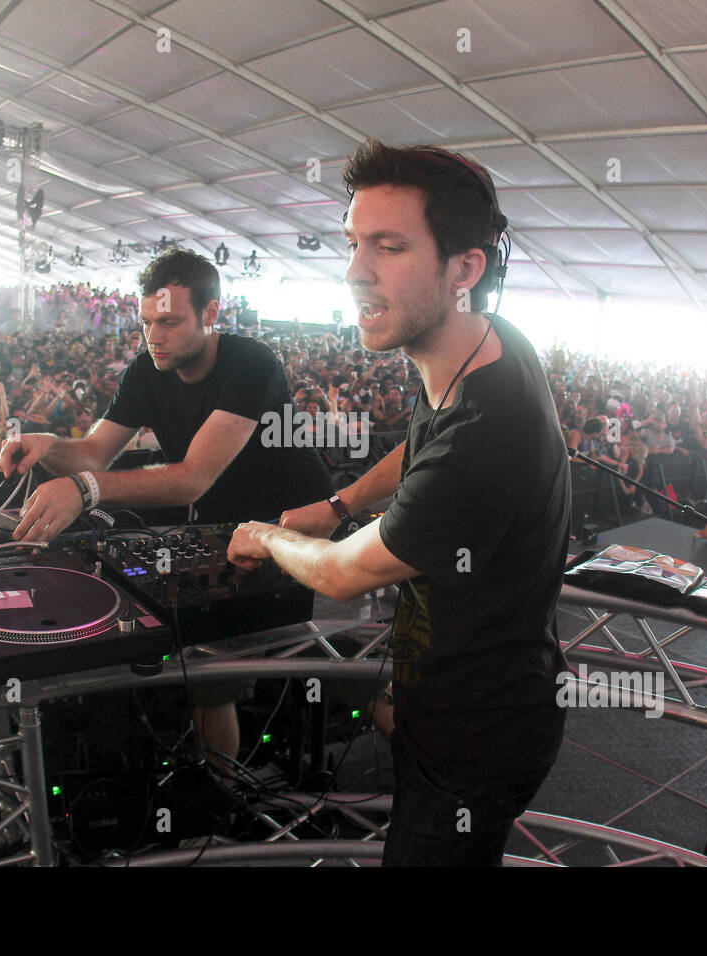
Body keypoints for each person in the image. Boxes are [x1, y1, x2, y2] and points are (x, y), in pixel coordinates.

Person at [226, 140, 571, 866]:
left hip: (475, 742)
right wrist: (339, 502)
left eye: (389, 246)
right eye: (353, 244)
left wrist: (262, 535)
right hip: (455, 709)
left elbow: (343, 576)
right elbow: (420, 445)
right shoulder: (478, 344)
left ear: (464, 269)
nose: (356, 272)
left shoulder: (486, 435)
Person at [0, 249, 332, 775]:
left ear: (211, 315)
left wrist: (84, 490)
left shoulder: (249, 363)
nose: (155, 335)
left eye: (170, 322)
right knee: (210, 677)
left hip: (298, 527)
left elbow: (195, 475)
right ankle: (222, 796)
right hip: (224, 531)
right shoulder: (146, 372)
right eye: (147, 322)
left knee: (340, 657)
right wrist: (47, 443)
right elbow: (94, 452)